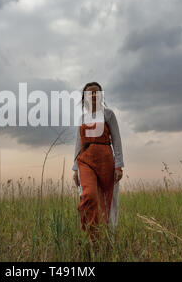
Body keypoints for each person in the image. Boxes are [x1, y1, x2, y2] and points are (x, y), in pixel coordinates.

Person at [72, 82, 124, 243]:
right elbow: (78, 143)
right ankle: (91, 237)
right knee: (88, 196)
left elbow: (116, 140)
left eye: (96, 92)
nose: (93, 95)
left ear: (101, 95)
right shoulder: (82, 118)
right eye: (90, 93)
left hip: (106, 160)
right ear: (85, 97)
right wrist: (75, 169)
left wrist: (119, 165)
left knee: (108, 199)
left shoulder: (108, 114)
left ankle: (108, 239)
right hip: (85, 160)